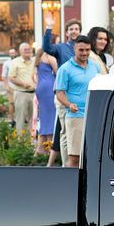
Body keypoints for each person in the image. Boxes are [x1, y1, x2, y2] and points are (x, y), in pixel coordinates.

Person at [54, 35, 98, 167]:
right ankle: (69, 185)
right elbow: (59, 93)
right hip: (76, 116)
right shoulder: (65, 69)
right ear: (74, 49)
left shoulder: (94, 67)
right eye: (81, 50)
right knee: (74, 158)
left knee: (90, 155)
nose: (85, 53)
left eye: (87, 50)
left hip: (93, 116)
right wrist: (69, 104)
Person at [43, 12, 82, 162]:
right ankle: (67, 165)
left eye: (76, 29)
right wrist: (49, 27)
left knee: (78, 130)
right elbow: (46, 47)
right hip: (63, 95)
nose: (74, 31)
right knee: (65, 131)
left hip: (80, 96)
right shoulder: (60, 48)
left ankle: (77, 161)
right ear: (66, 33)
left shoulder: (84, 49)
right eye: (71, 29)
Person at [34, 46, 58, 163]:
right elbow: (58, 73)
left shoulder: (38, 57)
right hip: (49, 87)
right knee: (50, 118)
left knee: (44, 117)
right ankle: (49, 146)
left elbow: (34, 76)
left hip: (40, 88)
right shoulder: (50, 57)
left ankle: (40, 148)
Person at [9, 42, 36, 136]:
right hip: (21, 93)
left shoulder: (34, 62)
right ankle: (20, 140)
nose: (28, 51)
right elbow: (11, 78)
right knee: (20, 117)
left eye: (29, 49)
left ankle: (31, 139)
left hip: (33, 94)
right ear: (20, 51)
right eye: (25, 49)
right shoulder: (15, 62)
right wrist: (23, 84)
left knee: (33, 118)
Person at [0, 47, 17, 128]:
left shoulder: (19, 61)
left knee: (20, 104)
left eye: (13, 53)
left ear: (16, 53)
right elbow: (3, 76)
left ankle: (21, 119)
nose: (12, 54)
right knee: (11, 104)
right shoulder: (6, 63)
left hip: (20, 87)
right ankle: (11, 120)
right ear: (9, 54)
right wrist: (6, 86)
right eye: (10, 53)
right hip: (11, 87)